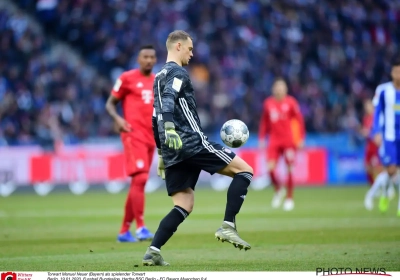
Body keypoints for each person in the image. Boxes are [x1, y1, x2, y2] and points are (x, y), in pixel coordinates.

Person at [142, 30, 254, 266]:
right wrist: (172, 127)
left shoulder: (157, 76)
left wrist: (162, 152)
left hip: (172, 149)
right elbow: (171, 98)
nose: (192, 54)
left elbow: (155, 115)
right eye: (190, 49)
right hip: (192, 141)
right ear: (179, 46)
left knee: (184, 204)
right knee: (244, 171)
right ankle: (228, 225)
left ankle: (153, 249)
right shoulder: (177, 72)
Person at [105, 45, 157, 242]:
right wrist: (117, 120)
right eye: (145, 57)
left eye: (152, 57)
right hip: (132, 134)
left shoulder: (158, 81)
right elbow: (110, 103)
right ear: (138, 59)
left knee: (138, 182)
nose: (149, 60)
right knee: (141, 179)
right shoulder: (127, 78)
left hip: (151, 137)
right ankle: (141, 227)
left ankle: (124, 231)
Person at [258, 78, 305, 211]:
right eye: (277, 87)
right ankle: (279, 190)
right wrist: (262, 138)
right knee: (270, 169)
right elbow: (264, 122)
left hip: (288, 140)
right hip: (273, 140)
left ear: (285, 89)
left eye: (281, 87)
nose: (279, 89)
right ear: (274, 89)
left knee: (290, 168)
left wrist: (300, 138)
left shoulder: (291, 102)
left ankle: (289, 198)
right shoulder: (268, 103)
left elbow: (299, 120)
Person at [369, 57, 400, 216]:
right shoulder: (383, 90)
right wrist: (375, 131)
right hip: (389, 136)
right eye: (396, 71)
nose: (399, 74)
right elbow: (377, 112)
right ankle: (386, 193)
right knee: (391, 170)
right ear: (392, 72)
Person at [360, 99, 382, 185]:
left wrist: (369, 133)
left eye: (368, 106)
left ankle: (385, 186)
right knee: (367, 167)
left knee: (379, 167)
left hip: (376, 145)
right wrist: (364, 132)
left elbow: (377, 131)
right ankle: (373, 185)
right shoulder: (365, 118)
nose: (367, 108)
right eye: (365, 106)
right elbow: (366, 130)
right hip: (369, 145)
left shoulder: (376, 117)